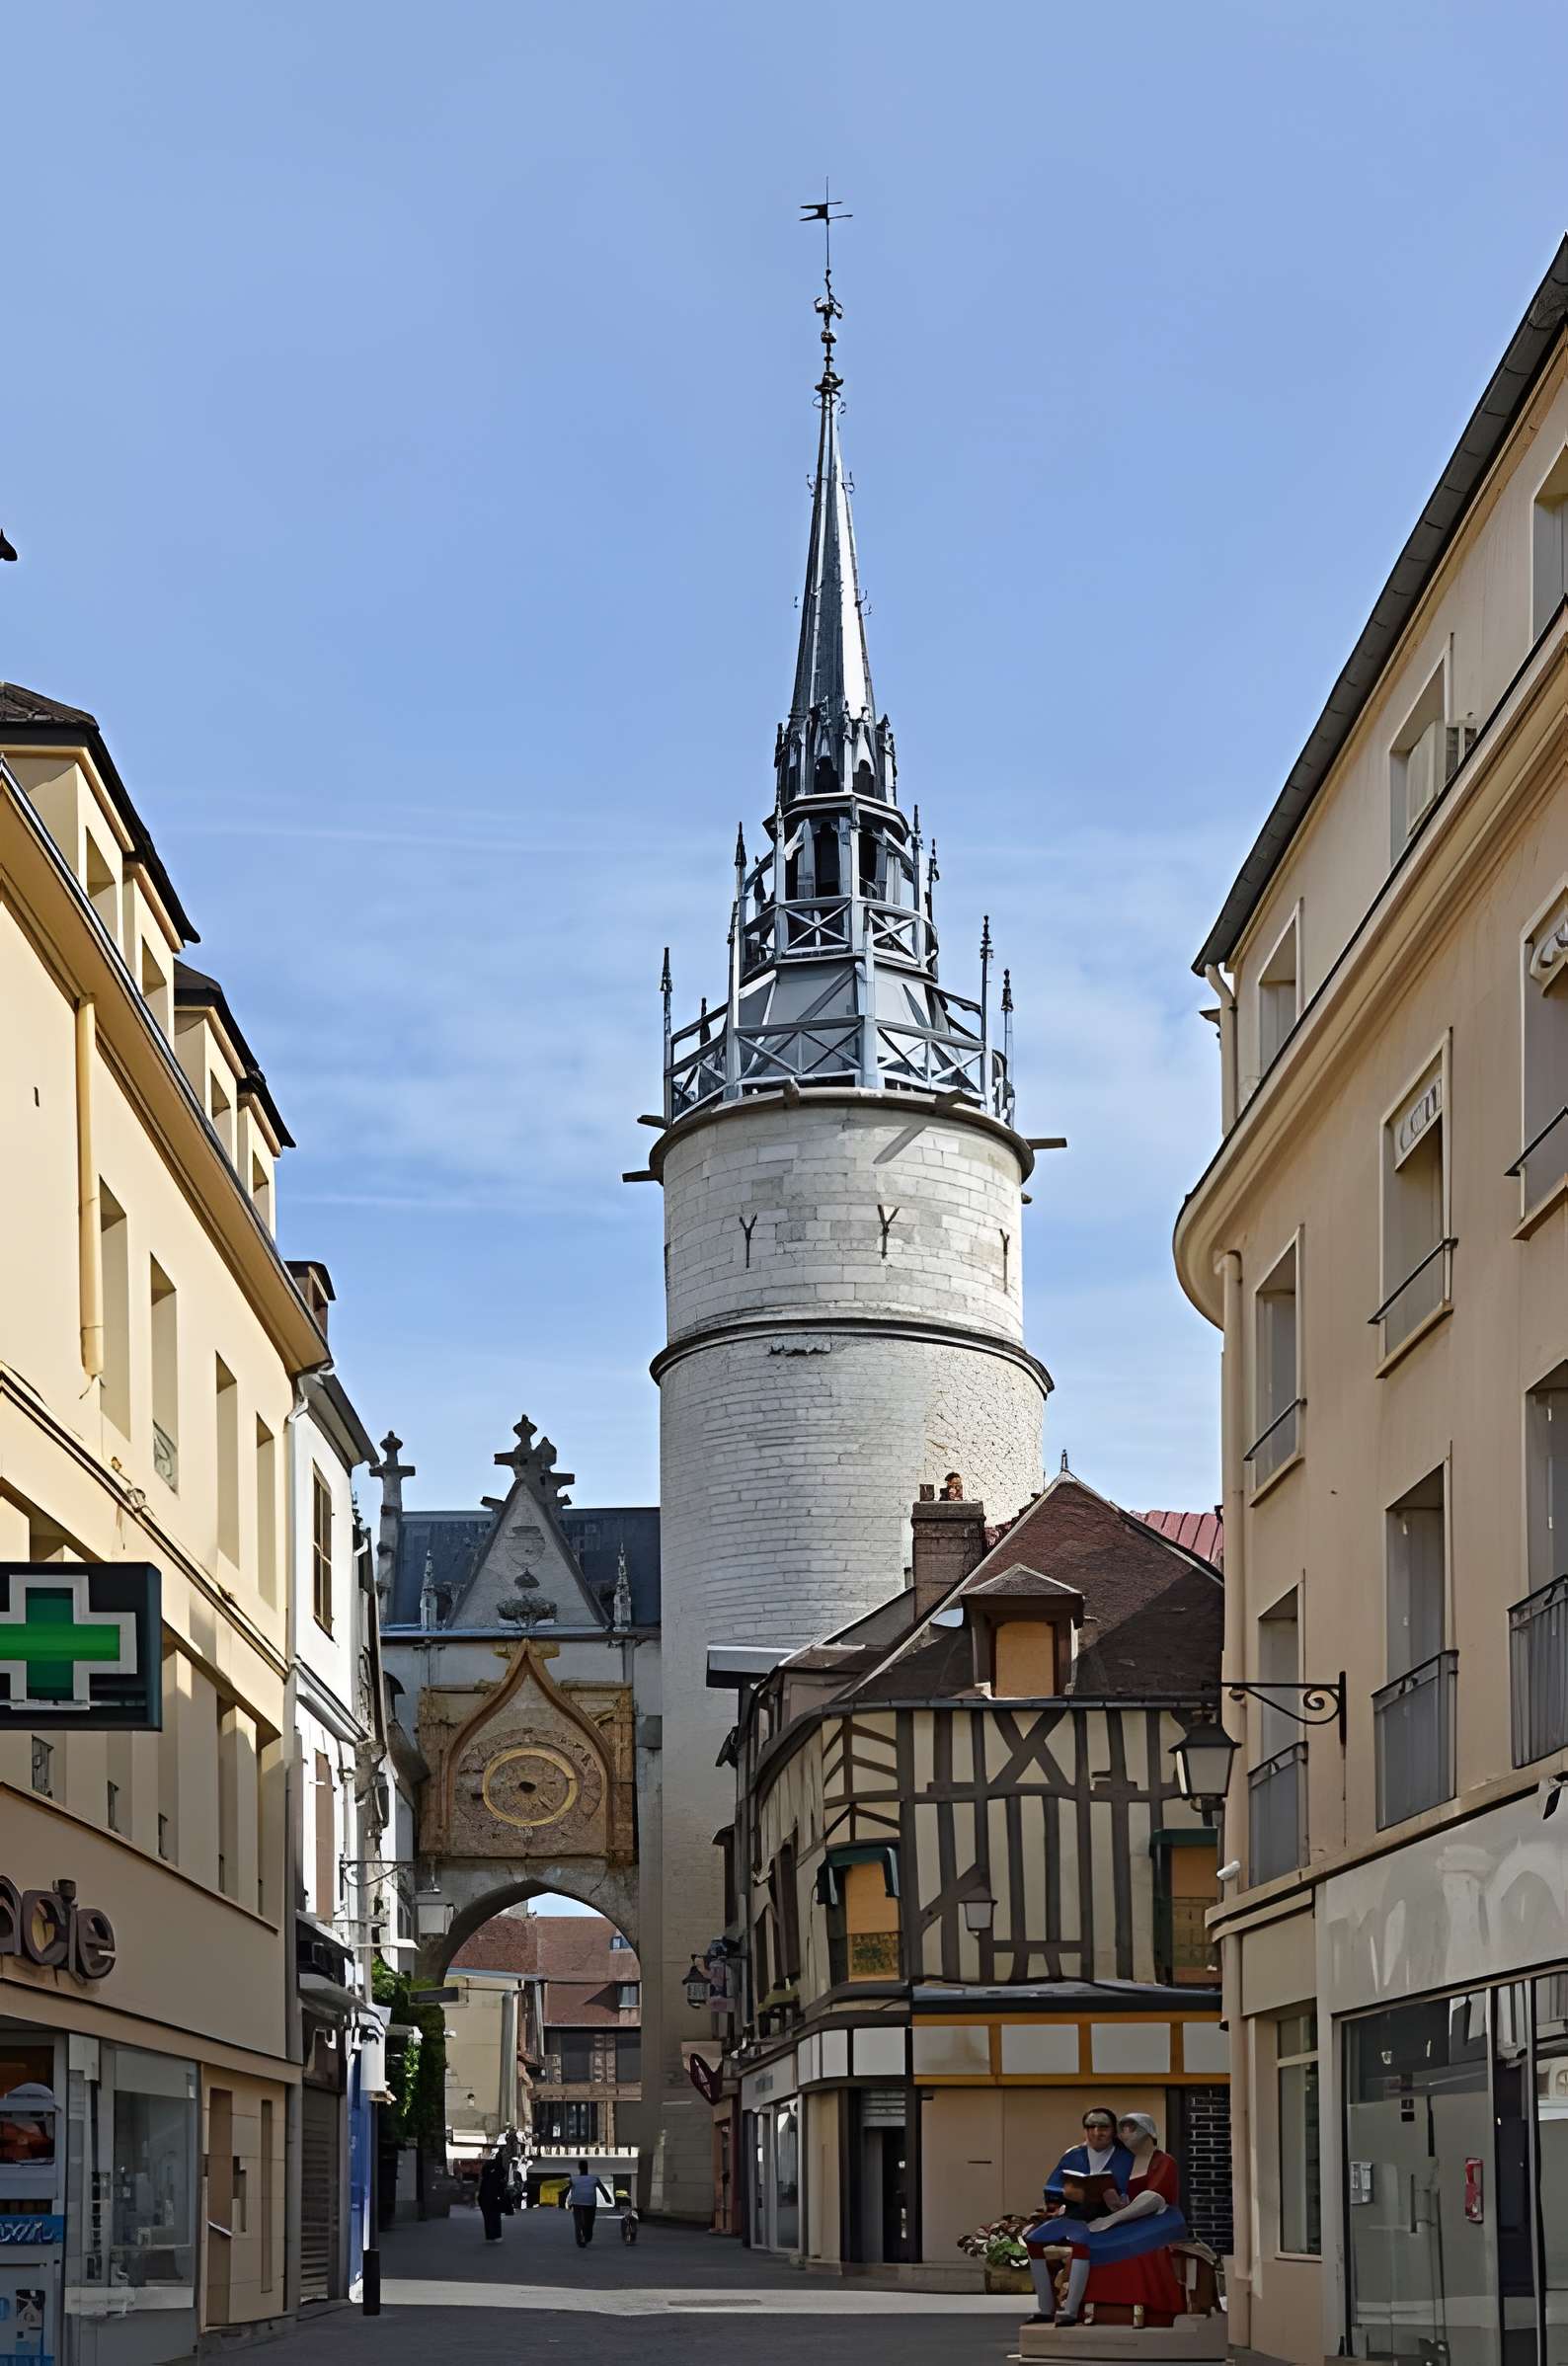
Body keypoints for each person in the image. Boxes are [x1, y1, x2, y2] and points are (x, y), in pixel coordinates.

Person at [1036, 2111, 1188, 2328]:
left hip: (1158, 2217)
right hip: (1126, 2217)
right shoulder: (1124, 2161)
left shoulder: (1163, 2161)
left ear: (1148, 2132)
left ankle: (1147, 2306)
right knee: (1090, 2242)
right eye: (1123, 2128)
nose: (1125, 2134)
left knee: (1134, 2246)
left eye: (1131, 2128)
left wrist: (1114, 2217)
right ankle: (1087, 2306)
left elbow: (1154, 2197)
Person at [1022, 2107, 1136, 2325]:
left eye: (1103, 2127)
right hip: (1074, 2215)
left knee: (1082, 2242)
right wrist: (1065, 2194)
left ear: (1113, 2131)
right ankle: (1046, 2307)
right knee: (1033, 2239)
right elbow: (1052, 2185)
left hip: (1105, 2219)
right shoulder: (1073, 2154)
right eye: (1091, 2127)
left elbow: (1133, 2188)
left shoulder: (1126, 2157)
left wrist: (1119, 2198)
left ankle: (1071, 2310)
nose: (1096, 2132)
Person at [567, 2159, 601, 2248]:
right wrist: (609, 2199)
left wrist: (565, 2202)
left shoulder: (573, 2179)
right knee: (589, 2222)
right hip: (590, 2203)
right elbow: (602, 2189)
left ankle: (580, 2241)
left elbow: (566, 2190)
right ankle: (588, 2237)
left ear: (579, 2168)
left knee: (578, 2222)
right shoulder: (594, 2179)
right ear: (587, 2167)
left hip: (576, 2202)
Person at [477, 2149, 508, 2244]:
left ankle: (489, 2236)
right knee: (495, 2216)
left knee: (487, 2217)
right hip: (494, 2197)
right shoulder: (499, 2172)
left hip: (484, 2197)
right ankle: (497, 2235)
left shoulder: (486, 2174)